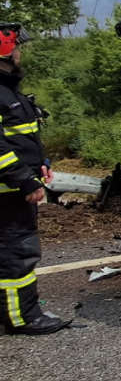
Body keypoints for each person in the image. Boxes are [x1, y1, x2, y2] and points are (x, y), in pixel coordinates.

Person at [0, 22, 69, 335]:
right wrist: (23, 180)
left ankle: (11, 310)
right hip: (9, 190)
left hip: (14, 184)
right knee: (18, 251)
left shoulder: (9, 91)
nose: (20, 52)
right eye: (17, 47)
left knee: (12, 250)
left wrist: (40, 163)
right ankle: (23, 317)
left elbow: (21, 138)